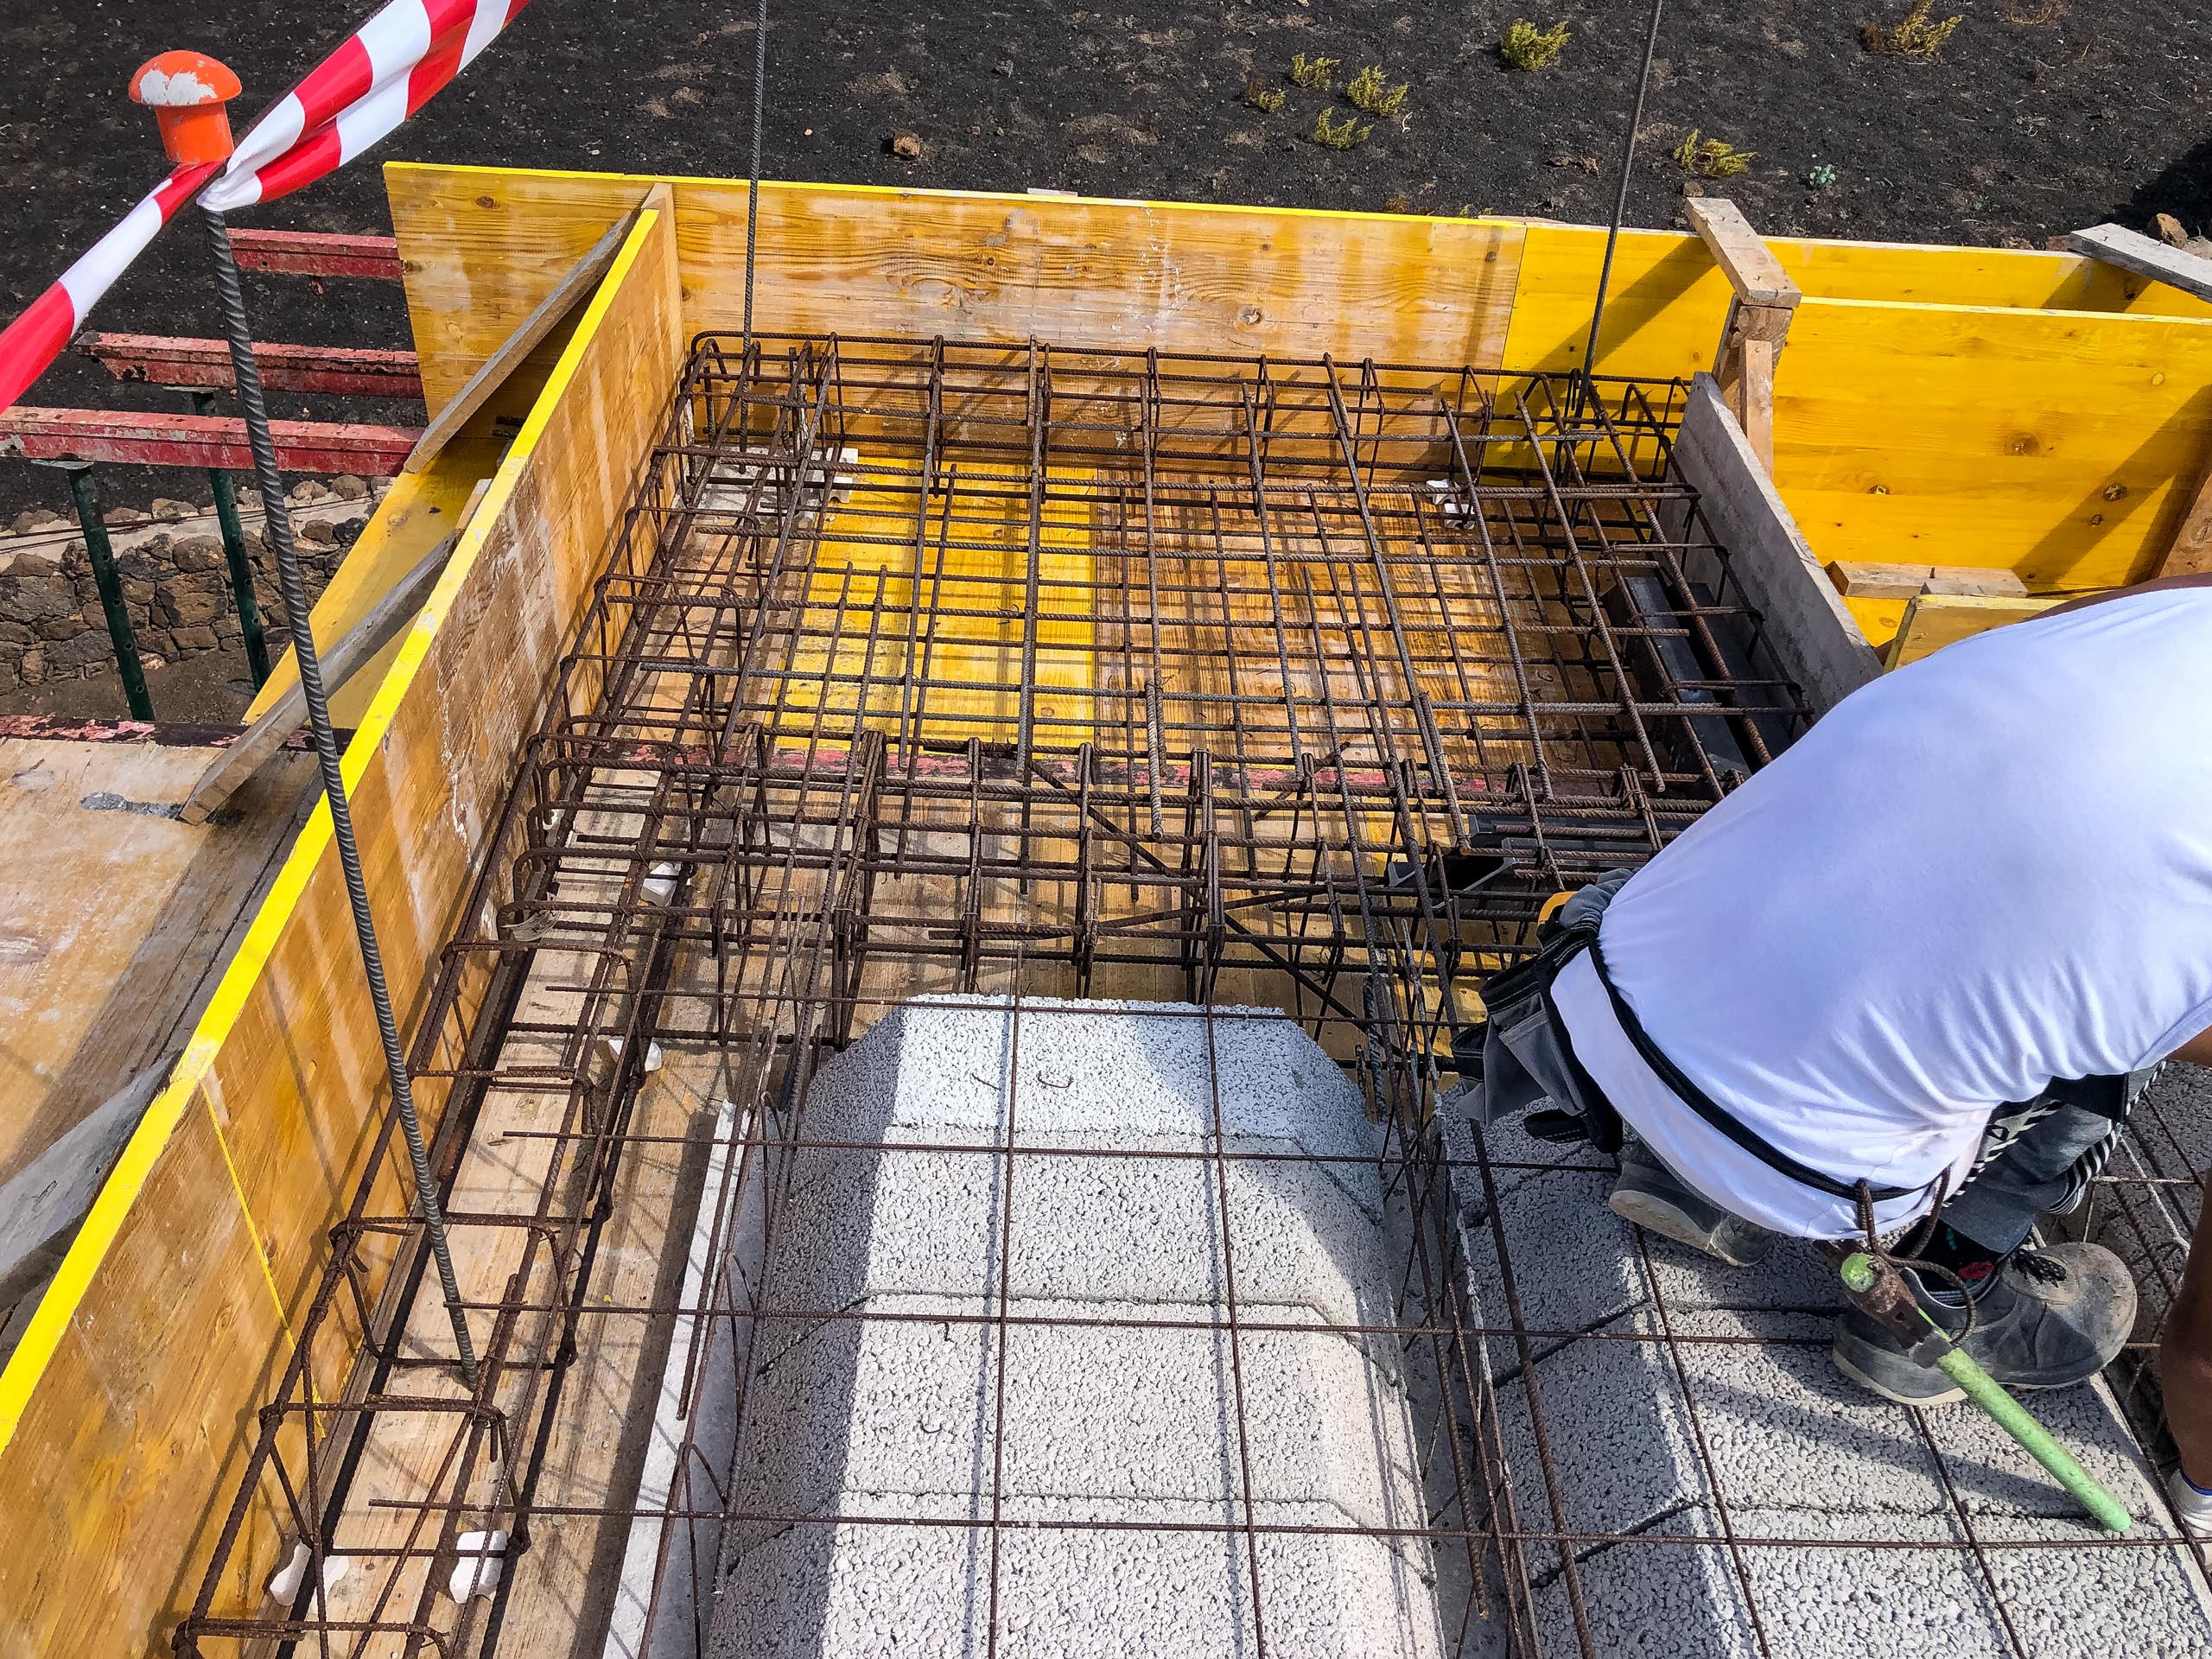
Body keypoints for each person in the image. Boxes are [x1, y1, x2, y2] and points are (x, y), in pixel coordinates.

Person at [1454, 574, 2212, 1526]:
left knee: (1922, 841)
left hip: (1595, 988)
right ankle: (1947, 1290)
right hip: (1812, 1174)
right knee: (2115, 1034)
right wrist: (2201, 1485)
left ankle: (1675, 1153)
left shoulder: (2171, 614)